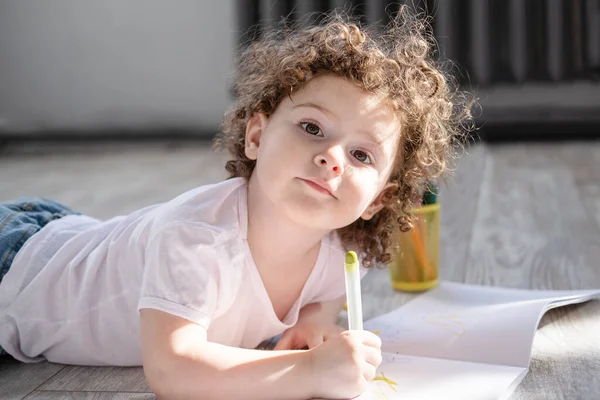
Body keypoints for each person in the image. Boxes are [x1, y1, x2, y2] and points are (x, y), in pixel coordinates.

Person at [0, 6, 471, 400]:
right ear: (257, 136)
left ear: (377, 201)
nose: (331, 157)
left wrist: (314, 325)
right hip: (19, 269)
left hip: (74, 238)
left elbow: (322, 297)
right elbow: (172, 369)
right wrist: (308, 373)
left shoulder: (339, 252)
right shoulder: (198, 238)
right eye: (312, 128)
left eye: (361, 155)